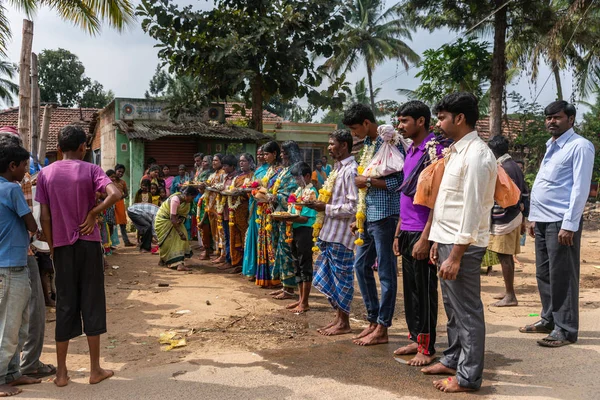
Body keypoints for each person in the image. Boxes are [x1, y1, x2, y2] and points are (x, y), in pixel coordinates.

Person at [422, 93, 496, 393]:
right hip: (448, 242)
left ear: (460, 118)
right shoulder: (456, 151)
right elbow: (448, 204)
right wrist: (436, 243)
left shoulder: (477, 155)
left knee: (467, 312)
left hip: (461, 246)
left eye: (442, 118)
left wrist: (454, 255)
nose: (439, 123)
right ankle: (453, 358)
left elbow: (472, 209)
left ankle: (468, 377)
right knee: (453, 308)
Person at [36, 124, 121, 388]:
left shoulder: (45, 174)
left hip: (61, 247)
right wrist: (94, 213)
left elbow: (46, 217)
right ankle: (95, 370)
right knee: (92, 301)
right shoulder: (92, 169)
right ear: (84, 148)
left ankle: (62, 374)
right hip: (88, 244)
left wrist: (52, 246)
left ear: (59, 149)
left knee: (65, 304)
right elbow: (116, 194)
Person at [520, 100, 595, 348]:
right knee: (544, 273)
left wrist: (570, 224)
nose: (551, 121)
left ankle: (566, 328)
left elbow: (579, 188)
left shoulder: (580, 146)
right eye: (548, 117)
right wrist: (533, 217)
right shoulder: (551, 146)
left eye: (557, 117)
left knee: (563, 275)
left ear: (571, 119)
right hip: (542, 220)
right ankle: (549, 319)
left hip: (561, 221)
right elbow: (546, 184)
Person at [342, 103, 404, 347]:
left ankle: (383, 326)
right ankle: (372, 319)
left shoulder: (390, 142)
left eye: (356, 128)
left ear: (367, 123)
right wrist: (357, 216)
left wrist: (366, 181)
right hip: (367, 215)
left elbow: (398, 181)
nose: (354, 134)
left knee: (387, 273)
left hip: (386, 215)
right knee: (360, 266)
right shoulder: (367, 145)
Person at [392, 101, 443, 366]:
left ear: (421, 121)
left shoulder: (435, 150)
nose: (400, 126)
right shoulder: (411, 150)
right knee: (410, 289)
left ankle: (427, 346)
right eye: (399, 121)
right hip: (408, 229)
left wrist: (426, 236)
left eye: (404, 121)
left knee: (424, 291)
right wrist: (399, 230)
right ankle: (415, 336)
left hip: (424, 231)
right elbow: (407, 192)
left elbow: (438, 197)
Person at [0, 138, 41, 397]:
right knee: (9, 326)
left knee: (18, 324)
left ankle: (13, 373)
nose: (26, 172)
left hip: (13, 264)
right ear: (12, 165)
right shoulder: (12, 189)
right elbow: (31, 224)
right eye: (24, 166)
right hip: (10, 267)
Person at [308, 130, 358, 333]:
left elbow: (353, 207)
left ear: (344, 145)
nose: (328, 148)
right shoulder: (337, 169)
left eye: (331, 144)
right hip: (329, 233)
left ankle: (344, 323)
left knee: (342, 280)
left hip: (341, 236)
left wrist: (325, 208)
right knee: (330, 278)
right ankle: (338, 319)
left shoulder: (351, 170)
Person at [487, 135, 528, 307]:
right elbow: (524, 191)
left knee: (505, 256)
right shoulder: (512, 165)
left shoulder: (505, 168)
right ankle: (508, 290)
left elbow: (508, 195)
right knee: (506, 256)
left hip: (506, 217)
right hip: (510, 216)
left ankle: (510, 295)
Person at [277, 161, 318, 313]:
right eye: (294, 178)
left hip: (305, 231)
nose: (295, 181)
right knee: (297, 264)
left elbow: (305, 218)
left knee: (304, 265)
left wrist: (288, 217)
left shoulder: (311, 192)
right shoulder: (299, 191)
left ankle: (305, 301)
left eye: (297, 178)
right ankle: (300, 299)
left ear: (307, 176)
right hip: (295, 229)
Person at [270, 141, 303, 300]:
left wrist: (277, 197)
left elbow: (294, 194)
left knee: (287, 252)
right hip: (279, 216)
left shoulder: (297, 169)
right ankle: (284, 285)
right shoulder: (284, 170)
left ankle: (290, 289)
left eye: (284, 152)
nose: (282, 155)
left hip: (291, 217)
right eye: (281, 152)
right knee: (280, 251)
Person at [253, 141, 284, 288]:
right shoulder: (270, 169)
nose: (264, 157)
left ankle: (275, 278)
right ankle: (265, 278)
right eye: (263, 154)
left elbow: (276, 192)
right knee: (264, 242)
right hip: (264, 211)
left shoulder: (281, 170)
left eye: (267, 154)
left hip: (273, 211)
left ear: (275, 154)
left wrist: (264, 192)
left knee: (273, 243)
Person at [154, 186, 200, 271]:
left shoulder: (186, 203)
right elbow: (172, 218)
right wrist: (180, 233)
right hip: (163, 221)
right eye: (192, 197)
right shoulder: (175, 200)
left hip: (173, 221)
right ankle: (177, 264)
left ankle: (173, 261)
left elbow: (183, 215)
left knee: (180, 239)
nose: (192, 200)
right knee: (173, 240)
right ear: (187, 195)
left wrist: (181, 220)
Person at [242, 146, 269, 280]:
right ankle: (252, 270)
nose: (260, 156)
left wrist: (257, 189)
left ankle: (262, 272)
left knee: (262, 238)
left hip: (264, 207)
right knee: (253, 236)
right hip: (254, 205)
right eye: (258, 154)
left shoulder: (271, 170)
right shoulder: (258, 170)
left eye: (263, 154)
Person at [226, 153, 254, 272]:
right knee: (234, 236)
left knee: (244, 236)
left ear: (250, 162)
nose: (241, 163)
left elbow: (252, 192)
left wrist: (242, 192)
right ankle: (236, 262)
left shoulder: (253, 176)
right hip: (233, 211)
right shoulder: (237, 177)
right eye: (240, 161)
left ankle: (244, 264)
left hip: (244, 211)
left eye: (244, 161)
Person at [215, 155, 239, 270]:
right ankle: (228, 258)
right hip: (224, 211)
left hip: (233, 212)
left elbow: (234, 192)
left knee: (232, 237)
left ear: (232, 166)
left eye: (225, 166)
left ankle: (232, 260)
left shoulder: (237, 178)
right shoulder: (226, 177)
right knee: (226, 235)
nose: (223, 168)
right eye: (223, 165)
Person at [203, 154, 226, 262]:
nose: (213, 162)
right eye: (213, 160)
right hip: (210, 207)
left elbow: (223, 187)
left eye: (216, 160)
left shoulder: (223, 174)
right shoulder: (212, 175)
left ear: (221, 162)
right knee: (214, 231)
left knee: (220, 231)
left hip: (219, 207)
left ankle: (223, 254)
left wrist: (212, 187)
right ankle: (217, 252)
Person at [113, 164, 134, 247]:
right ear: (115, 171)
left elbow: (126, 193)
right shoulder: (110, 181)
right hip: (111, 204)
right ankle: (110, 244)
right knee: (111, 223)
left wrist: (121, 196)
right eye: (119, 171)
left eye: (122, 172)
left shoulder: (123, 182)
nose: (120, 173)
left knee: (123, 223)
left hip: (120, 203)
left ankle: (126, 241)